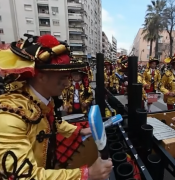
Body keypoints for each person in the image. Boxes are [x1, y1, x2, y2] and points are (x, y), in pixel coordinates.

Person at [0, 34, 112, 180]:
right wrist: (85, 174)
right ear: (41, 76)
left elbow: (53, 123)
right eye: (62, 78)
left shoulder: (41, 100)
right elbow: (24, 176)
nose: (67, 84)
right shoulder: (10, 117)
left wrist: (80, 131)